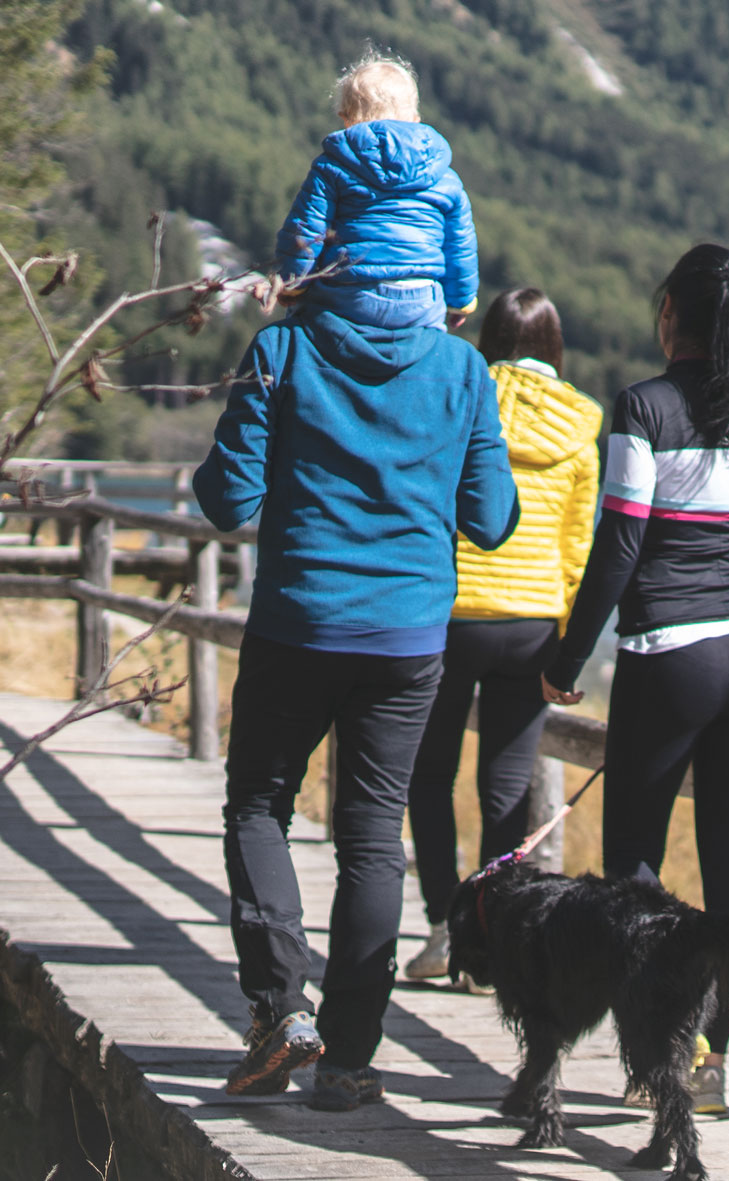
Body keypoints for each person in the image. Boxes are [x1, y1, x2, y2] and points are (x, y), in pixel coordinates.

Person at [194, 274, 518, 1110]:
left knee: (259, 806)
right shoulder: (462, 367)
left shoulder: (283, 348)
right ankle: (347, 1061)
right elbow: (490, 518)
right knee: (373, 837)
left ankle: (279, 1009)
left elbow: (227, 499)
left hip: (298, 623)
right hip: (407, 636)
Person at [540, 244, 729, 1114]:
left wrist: (567, 658)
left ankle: (657, 1048)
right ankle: (711, 1057)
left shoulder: (643, 407)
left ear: (672, 318)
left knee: (636, 870)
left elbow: (619, 543)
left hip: (672, 656)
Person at [403, 289, 602, 981]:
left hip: (448, 615)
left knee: (428, 778)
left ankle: (439, 930)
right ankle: (489, 944)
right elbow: (580, 549)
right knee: (505, 792)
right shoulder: (579, 425)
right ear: (555, 346)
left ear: (489, 336)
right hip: (530, 625)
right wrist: (571, 648)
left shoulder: (455, 393)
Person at [271, 52, 477, 331]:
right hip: (421, 302)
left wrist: (291, 285)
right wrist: (459, 302)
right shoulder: (445, 178)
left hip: (350, 297)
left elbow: (305, 231)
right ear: (415, 118)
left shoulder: (332, 167)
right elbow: (460, 245)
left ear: (346, 119)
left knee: (300, 322)